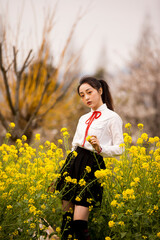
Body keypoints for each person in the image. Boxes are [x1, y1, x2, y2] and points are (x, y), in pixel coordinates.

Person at [55, 76, 124, 240]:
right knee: (66, 221)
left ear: (100, 91)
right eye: (82, 95)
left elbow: (120, 148)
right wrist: (64, 171)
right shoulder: (83, 118)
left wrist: (100, 148)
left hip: (92, 165)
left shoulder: (112, 117)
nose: (86, 97)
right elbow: (74, 145)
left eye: (89, 92)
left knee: (79, 223)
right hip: (73, 163)